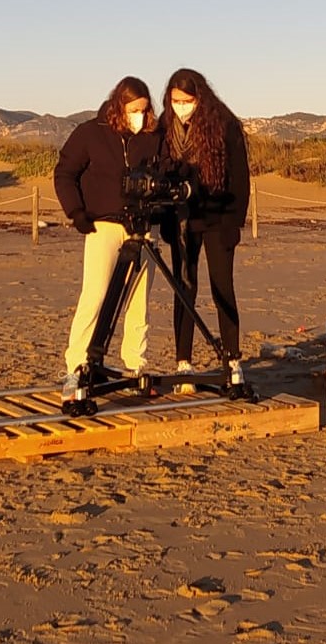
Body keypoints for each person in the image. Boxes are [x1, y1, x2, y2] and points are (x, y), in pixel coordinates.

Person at [53, 76, 162, 400]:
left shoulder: (153, 137)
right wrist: (76, 212)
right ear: (119, 105)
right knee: (96, 296)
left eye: (144, 110)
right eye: (134, 110)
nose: (139, 116)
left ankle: (136, 366)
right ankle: (77, 366)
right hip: (103, 227)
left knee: (138, 301)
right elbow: (65, 173)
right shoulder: (90, 133)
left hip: (143, 228)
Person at [158, 68, 251, 385]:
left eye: (187, 101)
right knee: (184, 288)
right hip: (182, 219)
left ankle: (232, 357)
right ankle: (183, 361)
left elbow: (240, 178)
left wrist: (234, 223)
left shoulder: (224, 124)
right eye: (175, 101)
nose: (181, 107)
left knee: (222, 286)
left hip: (218, 218)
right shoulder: (165, 126)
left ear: (200, 98)